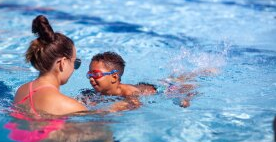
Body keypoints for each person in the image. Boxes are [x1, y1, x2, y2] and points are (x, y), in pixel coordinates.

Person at [85, 51, 217, 111]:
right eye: (89, 73)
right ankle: (196, 72)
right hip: (150, 84)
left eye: (96, 74)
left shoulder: (129, 91)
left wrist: (109, 110)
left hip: (161, 90)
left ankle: (201, 73)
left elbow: (135, 104)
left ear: (114, 77)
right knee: (174, 78)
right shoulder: (98, 91)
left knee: (182, 93)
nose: (91, 78)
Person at [13, 15, 87, 117]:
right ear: (63, 63)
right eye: (75, 62)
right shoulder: (73, 107)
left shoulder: (22, 90)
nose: (74, 68)